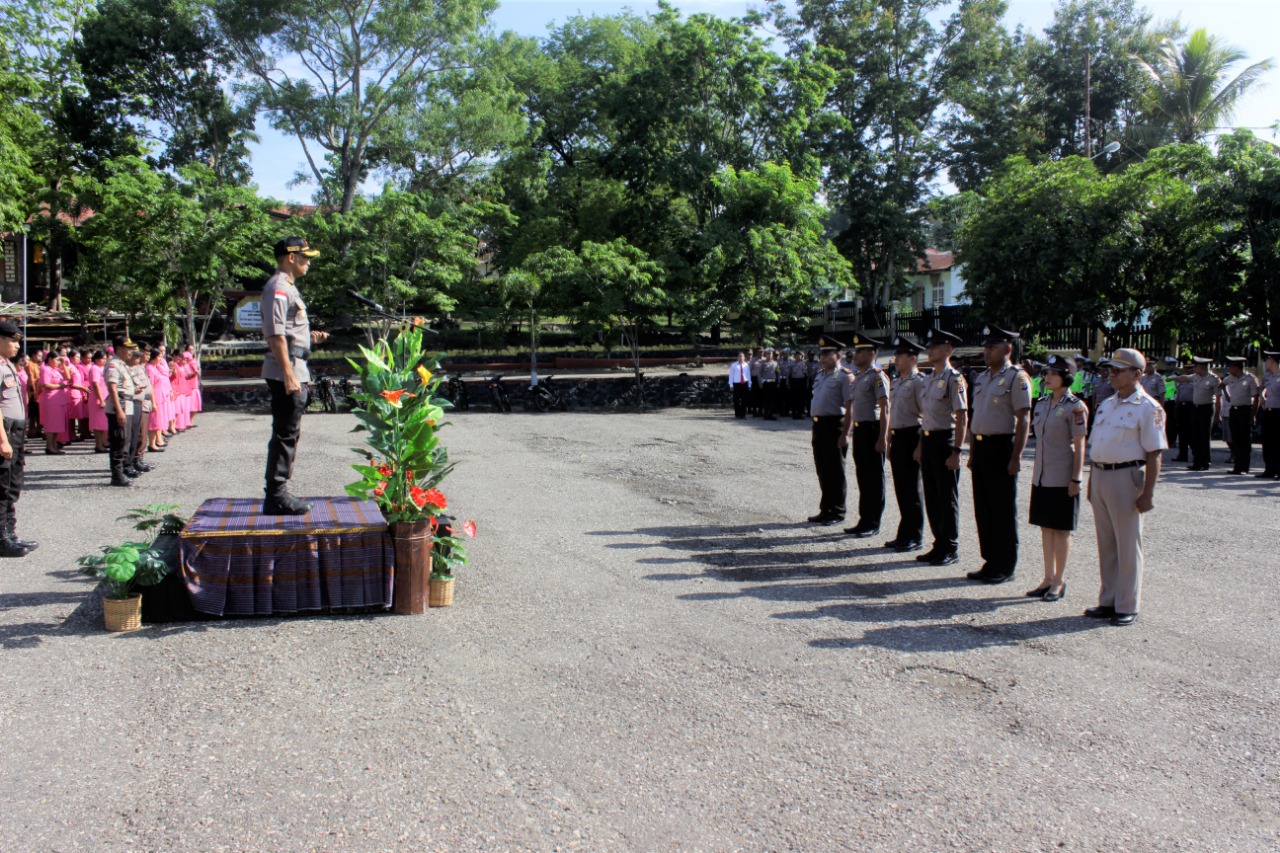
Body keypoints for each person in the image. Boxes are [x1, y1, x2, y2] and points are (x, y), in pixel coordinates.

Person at [1084, 348, 1167, 627]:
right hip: (1101, 475)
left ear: (1137, 374)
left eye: (1119, 370)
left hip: (1126, 478)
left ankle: (1127, 604)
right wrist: (1092, 480)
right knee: (1106, 543)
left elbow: (1155, 453)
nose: (1113, 374)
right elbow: (1097, 446)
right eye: (1112, 370)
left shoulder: (1148, 407)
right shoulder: (1108, 404)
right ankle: (1108, 600)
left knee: (1128, 544)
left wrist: (1148, 493)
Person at [262, 236, 329, 515]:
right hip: (285, 372)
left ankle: (278, 493)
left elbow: (289, 333)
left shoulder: (288, 288)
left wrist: (310, 338)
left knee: (289, 432)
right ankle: (276, 495)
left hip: (294, 367)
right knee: (285, 434)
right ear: (291, 257)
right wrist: (289, 376)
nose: (308, 262)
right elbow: (276, 335)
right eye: (305, 257)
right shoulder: (279, 287)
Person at [965, 325, 1032, 584]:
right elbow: (975, 417)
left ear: (1008, 348)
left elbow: (1023, 419)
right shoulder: (982, 378)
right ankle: (990, 560)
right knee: (983, 508)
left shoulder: (1017, 377)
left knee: (1002, 508)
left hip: (1002, 447)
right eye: (986, 346)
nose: (987, 351)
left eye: (992, 346)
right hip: (981, 447)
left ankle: (1005, 565)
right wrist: (971, 450)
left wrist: (1016, 457)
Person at [1026, 355, 1087, 602]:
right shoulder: (1041, 404)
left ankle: (1059, 581)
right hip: (1042, 476)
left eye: (1053, 374)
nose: (1046, 377)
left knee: (1061, 530)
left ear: (1066, 377)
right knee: (1046, 528)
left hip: (1062, 477)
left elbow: (1080, 444)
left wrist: (1076, 478)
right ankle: (1048, 577)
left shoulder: (1075, 407)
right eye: (1046, 373)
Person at [915, 327, 968, 566]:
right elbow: (925, 416)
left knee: (947, 497)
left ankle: (950, 547)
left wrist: (957, 450)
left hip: (945, 440)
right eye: (929, 346)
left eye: (935, 346)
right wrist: (920, 444)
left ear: (948, 350)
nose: (930, 350)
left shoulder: (954, 378)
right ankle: (939, 544)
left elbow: (962, 416)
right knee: (932, 495)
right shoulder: (929, 378)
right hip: (927, 440)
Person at [844, 334, 890, 537]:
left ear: (871, 354)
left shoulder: (877, 376)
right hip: (860, 430)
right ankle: (864, 519)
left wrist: (883, 437)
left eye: (860, 351)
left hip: (873, 430)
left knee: (874, 478)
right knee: (863, 476)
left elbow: (885, 408)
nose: (855, 354)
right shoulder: (859, 377)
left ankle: (873, 522)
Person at [885, 336, 927, 552]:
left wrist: (920, 445)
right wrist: (890, 440)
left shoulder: (919, 381)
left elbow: (925, 416)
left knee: (912, 489)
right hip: (899, 437)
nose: (896, 359)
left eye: (900, 355)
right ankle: (904, 533)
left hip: (913, 436)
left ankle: (915, 536)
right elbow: (893, 414)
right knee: (901, 488)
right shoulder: (897, 381)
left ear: (912, 358)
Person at [808, 337, 855, 526]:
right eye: (822, 354)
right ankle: (826, 508)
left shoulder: (844, 376)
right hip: (819, 426)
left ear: (837, 355)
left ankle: (838, 510)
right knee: (823, 469)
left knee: (836, 470)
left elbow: (850, 406)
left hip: (835, 425)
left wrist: (846, 433)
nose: (823, 358)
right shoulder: (820, 375)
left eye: (827, 354)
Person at [0, 322, 36, 556]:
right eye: (12, 340)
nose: (17, 345)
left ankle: (10, 533)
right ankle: (2, 539)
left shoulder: (8, 365)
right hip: (5, 431)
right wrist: (2, 440)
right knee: (2, 486)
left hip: (16, 430)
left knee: (13, 484)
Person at [1172, 356, 1220, 471]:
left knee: (1204, 436)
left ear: (1202, 367)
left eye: (1197, 367)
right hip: (1196, 409)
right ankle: (1197, 462)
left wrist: (1218, 414)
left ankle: (1205, 462)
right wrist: (1172, 379)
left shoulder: (1214, 379)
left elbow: (1218, 398)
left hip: (1207, 409)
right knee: (1195, 435)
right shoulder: (1196, 377)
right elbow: (1185, 378)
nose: (1195, 369)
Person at [104, 337, 138, 487]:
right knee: (119, 440)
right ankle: (116, 474)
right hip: (120, 405)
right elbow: (112, 388)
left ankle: (123, 470)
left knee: (126, 439)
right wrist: (119, 411)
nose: (131, 351)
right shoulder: (113, 364)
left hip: (127, 404)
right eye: (128, 348)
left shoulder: (122, 364)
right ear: (118, 348)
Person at [1222, 356, 1259, 475]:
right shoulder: (1230, 378)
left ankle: (1244, 467)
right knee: (1236, 439)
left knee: (1244, 440)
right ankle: (1237, 467)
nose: (1229, 369)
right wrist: (1227, 397)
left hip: (1245, 411)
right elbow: (1221, 384)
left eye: (1231, 367)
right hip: (1234, 410)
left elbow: (1255, 398)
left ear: (1237, 368)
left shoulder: (1250, 379)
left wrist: (1253, 415)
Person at [87, 350, 109, 453]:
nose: (104, 360)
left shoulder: (102, 368)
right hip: (98, 399)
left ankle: (104, 442)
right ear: (96, 359)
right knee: (98, 424)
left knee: (103, 423)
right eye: (102, 358)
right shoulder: (94, 368)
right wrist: (101, 399)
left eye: (105, 358)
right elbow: (96, 385)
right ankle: (99, 445)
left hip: (105, 397)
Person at [728, 352, 751, 419]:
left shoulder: (746, 365)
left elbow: (748, 375)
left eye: (742, 356)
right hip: (737, 384)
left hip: (744, 383)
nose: (741, 358)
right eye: (739, 356)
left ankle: (743, 414)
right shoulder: (734, 365)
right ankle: (737, 414)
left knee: (744, 400)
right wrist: (731, 385)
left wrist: (749, 384)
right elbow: (731, 375)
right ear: (737, 358)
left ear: (744, 357)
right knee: (736, 400)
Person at [759, 348, 778, 420]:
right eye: (768, 354)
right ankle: (766, 414)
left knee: (772, 399)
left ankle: (771, 414)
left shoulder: (775, 363)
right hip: (766, 383)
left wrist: (778, 381)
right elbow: (759, 373)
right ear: (766, 355)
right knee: (766, 399)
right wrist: (761, 382)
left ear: (772, 355)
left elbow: (777, 373)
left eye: (770, 354)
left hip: (773, 382)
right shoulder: (763, 363)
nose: (769, 355)